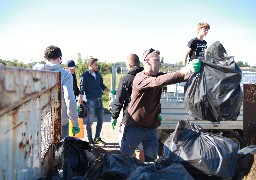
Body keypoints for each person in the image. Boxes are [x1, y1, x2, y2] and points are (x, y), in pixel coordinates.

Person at [120, 48, 201, 162]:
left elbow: (173, 78)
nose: (160, 62)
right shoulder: (140, 77)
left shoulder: (158, 75)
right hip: (134, 126)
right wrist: (184, 71)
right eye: (156, 60)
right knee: (124, 159)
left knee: (151, 162)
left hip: (151, 127)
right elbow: (158, 81)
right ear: (147, 61)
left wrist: (191, 72)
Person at [33, 45, 80, 138]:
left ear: (45, 58)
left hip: (41, 122)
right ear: (59, 58)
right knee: (60, 150)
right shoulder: (66, 75)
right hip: (60, 122)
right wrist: (75, 123)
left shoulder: (35, 71)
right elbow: (69, 100)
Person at [110, 53, 145, 161]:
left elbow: (119, 101)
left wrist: (114, 116)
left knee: (129, 149)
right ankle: (141, 170)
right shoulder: (147, 77)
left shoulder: (126, 79)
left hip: (130, 119)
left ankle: (131, 170)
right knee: (141, 148)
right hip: (145, 118)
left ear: (129, 65)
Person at [78, 57, 114, 145]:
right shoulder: (84, 76)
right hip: (91, 102)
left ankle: (97, 137)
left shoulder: (98, 74)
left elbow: (102, 85)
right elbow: (81, 88)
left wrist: (110, 91)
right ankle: (90, 140)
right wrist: (80, 98)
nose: (97, 66)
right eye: (95, 64)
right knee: (90, 122)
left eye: (97, 64)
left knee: (101, 121)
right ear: (90, 65)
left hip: (99, 101)